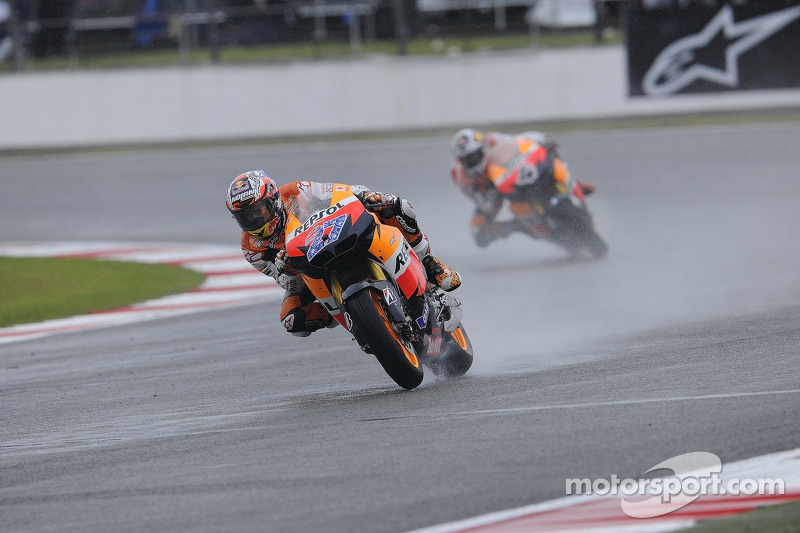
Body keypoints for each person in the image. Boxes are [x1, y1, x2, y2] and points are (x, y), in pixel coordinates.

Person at [225, 170, 461, 337]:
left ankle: (427, 260)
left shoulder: (295, 191)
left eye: (258, 213)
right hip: (308, 270)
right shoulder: (252, 248)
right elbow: (285, 283)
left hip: (338, 233)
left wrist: (367, 197)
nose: (254, 221)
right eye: (245, 218)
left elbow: (339, 192)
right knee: (292, 319)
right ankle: (358, 321)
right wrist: (287, 269)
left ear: (273, 200)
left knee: (398, 206)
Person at [449, 127, 595, 248]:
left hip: (512, 175)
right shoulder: (461, 177)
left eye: (475, 155)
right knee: (479, 234)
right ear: (460, 161)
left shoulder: (493, 141)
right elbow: (484, 205)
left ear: (483, 147)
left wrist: (542, 142)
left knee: (547, 148)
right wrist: (491, 198)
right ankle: (517, 227)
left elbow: (518, 143)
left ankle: (573, 183)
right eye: (468, 159)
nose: (473, 160)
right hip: (492, 192)